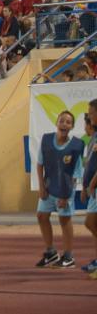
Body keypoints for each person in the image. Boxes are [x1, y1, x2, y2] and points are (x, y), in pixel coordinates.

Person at [35, 110, 85, 268]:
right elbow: (39, 164)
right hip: (49, 188)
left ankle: (69, 256)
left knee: (64, 220)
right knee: (42, 216)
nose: (64, 124)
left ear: (72, 127)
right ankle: (50, 253)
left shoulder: (76, 146)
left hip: (65, 190)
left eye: (68, 122)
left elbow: (75, 175)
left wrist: (66, 196)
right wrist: (42, 187)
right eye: (62, 121)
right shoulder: (47, 140)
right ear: (57, 123)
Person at [82, 100, 97, 275]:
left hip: (96, 186)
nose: (90, 116)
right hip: (93, 188)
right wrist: (86, 185)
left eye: (91, 113)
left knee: (90, 222)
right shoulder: (93, 138)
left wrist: (91, 183)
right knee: (92, 224)